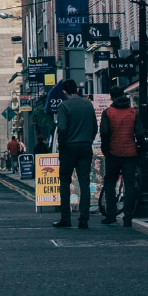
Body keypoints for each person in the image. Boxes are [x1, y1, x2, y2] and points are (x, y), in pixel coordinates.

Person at [51, 79, 98, 229]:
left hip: (69, 147)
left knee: (65, 182)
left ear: (64, 92)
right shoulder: (88, 104)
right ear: (77, 90)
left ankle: (66, 218)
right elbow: (95, 127)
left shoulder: (64, 106)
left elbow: (62, 129)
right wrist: (88, 140)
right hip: (85, 146)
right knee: (84, 182)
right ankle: (84, 219)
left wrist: (62, 146)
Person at [98, 87, 142, 227]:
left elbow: (104, 133)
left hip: (113, 153)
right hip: (130, 153)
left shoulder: (108, 112)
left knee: (110, 183)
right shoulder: (133, 112)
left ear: (111, 97)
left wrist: (106, 150)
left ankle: (111, 214)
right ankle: (128, 217)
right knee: (130, 185)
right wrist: (141, 149)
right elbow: (139, 133)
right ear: (123, 95)